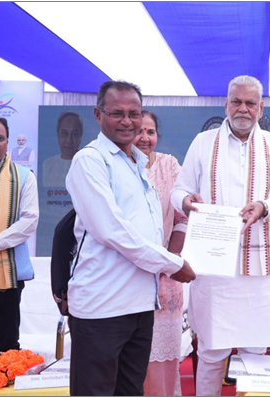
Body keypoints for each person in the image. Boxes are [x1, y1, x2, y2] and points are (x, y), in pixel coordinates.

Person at [65, 81, 195, 396]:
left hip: (140, 306)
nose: (127, 121)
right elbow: (113, 231)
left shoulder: (137, 162)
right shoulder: (90, 160)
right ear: (98, 115)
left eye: (133, 114)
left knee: (130, 391)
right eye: (117, 113)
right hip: (102, 308)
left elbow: (152, 228)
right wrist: (172, 264)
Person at [171, 75, 270, 396]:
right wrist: (186, 201)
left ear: (261, 107)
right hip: (215, 267)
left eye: (250, 103)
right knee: (212, 352)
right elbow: (179, 190)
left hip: (260, 268)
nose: (243, 109)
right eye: (237, 102)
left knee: (256, 353)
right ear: (226, 105)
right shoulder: (203, 142)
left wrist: (264, 206)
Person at [132, 111, 187, 397]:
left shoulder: (169, 165)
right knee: (132, 356)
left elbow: (181, 218)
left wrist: (169, 260)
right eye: (139, 131)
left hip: (167, 275)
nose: (144, 138)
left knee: (163, 358)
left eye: (150, 132)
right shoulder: (118, 166)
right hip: (128, 272)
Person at [0, 115, 39, 353]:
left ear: (8, 142)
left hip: (8, 272)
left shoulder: (24, 177)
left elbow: (29, 221)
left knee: (7, 347)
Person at [42, 111, 83, 187]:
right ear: (58, 135)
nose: (69, 140)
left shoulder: (87, 164)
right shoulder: (48, 164)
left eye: (74, 134)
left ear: (80, 137)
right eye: (65, 134)